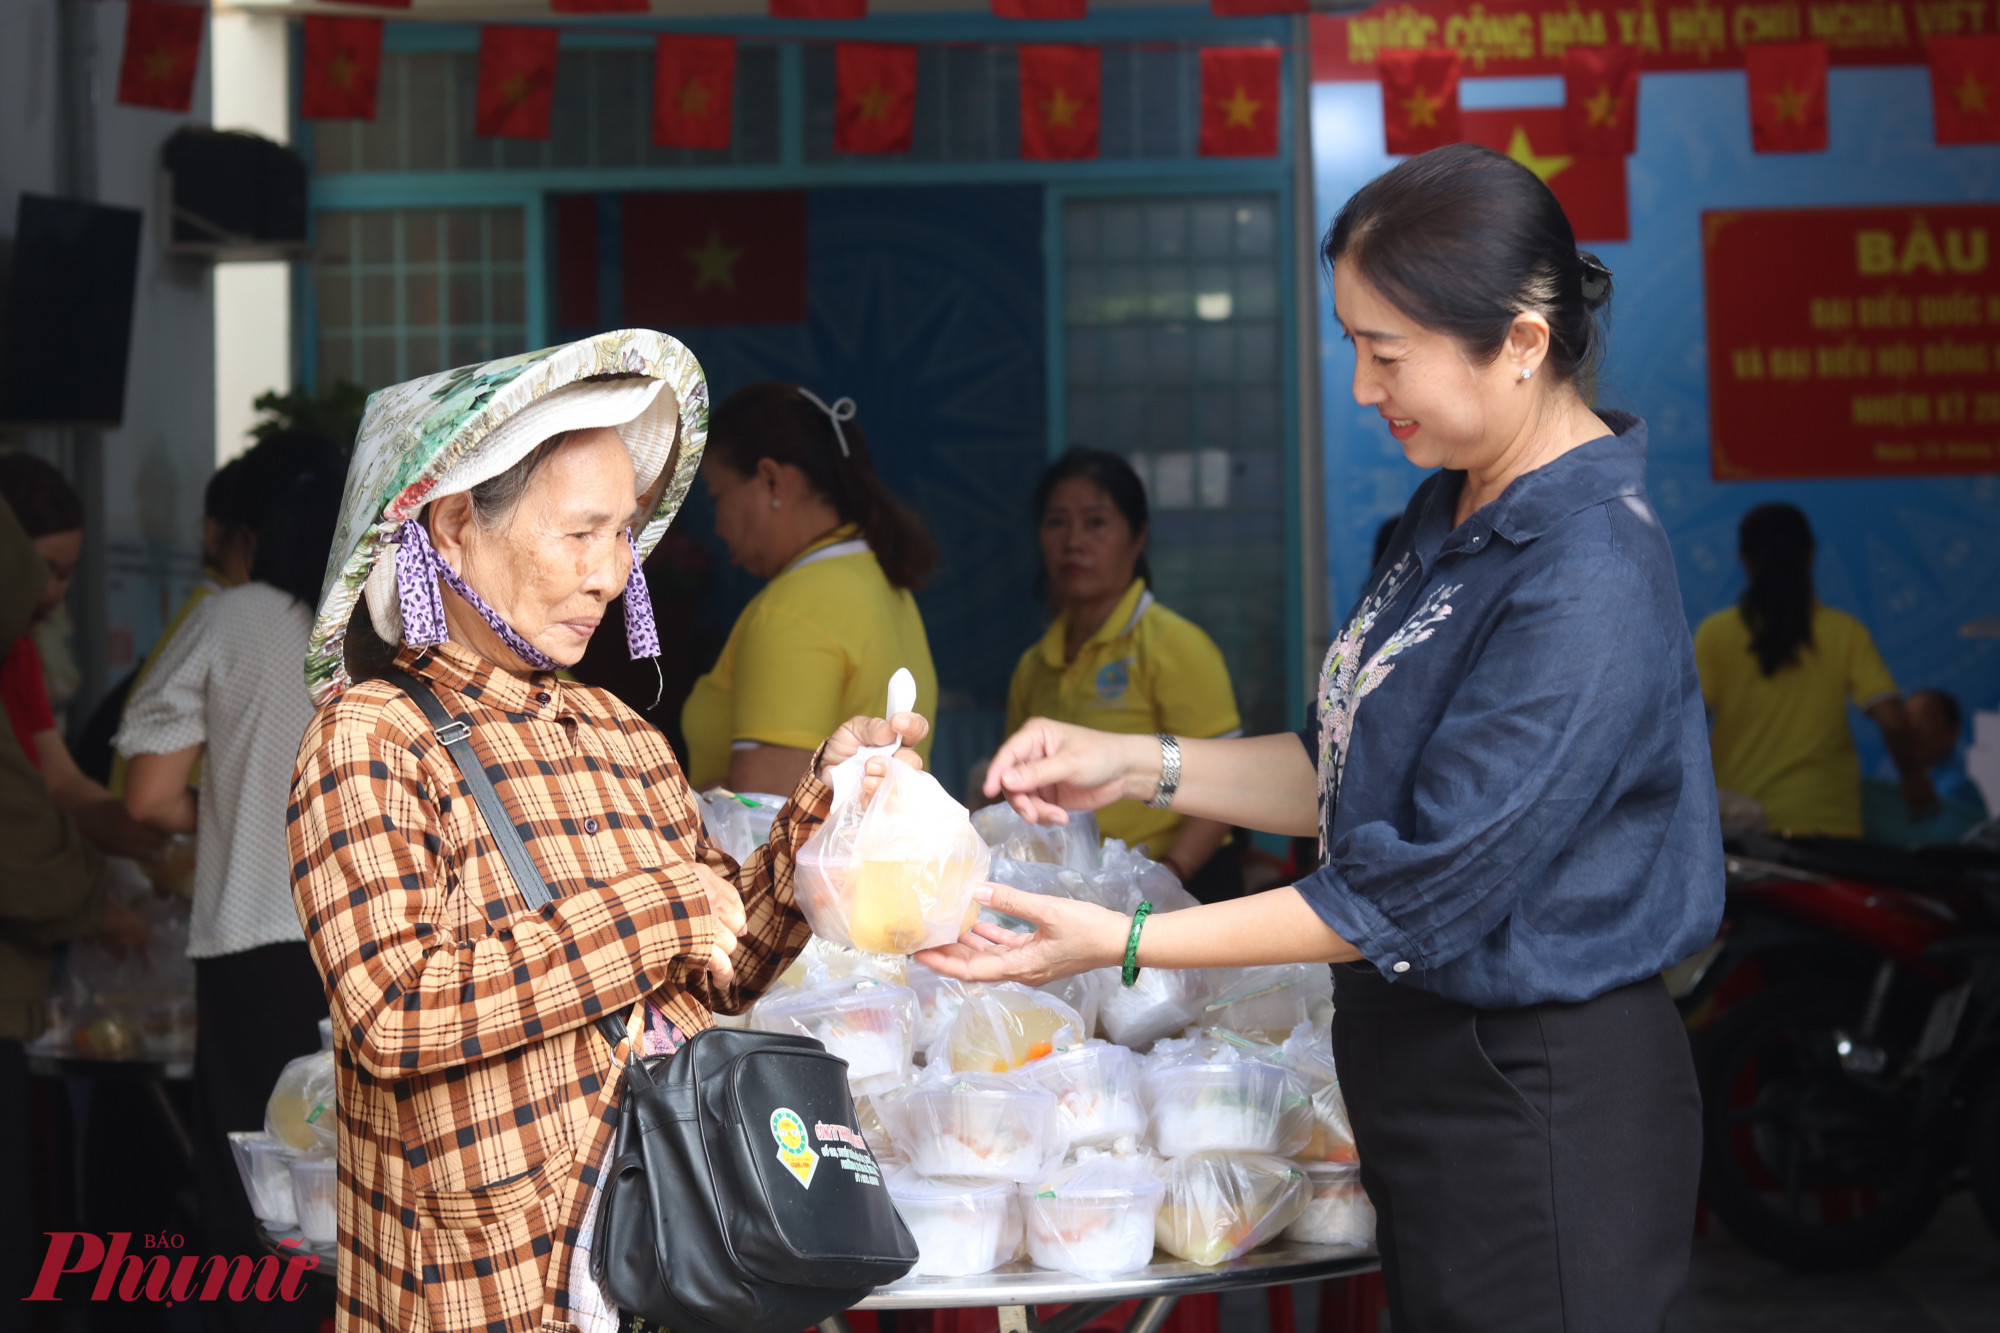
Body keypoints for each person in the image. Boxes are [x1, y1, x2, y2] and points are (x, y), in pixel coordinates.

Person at [919, 143, 1724, 1330]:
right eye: (1351, 344)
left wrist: (1120, 939)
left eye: (1385, 353)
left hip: (1539, 1095)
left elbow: (1408, 887)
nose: (1358, 387)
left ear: (1519, 340)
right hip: (1429, 1082)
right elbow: (1341, 774)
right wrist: (1134, 760)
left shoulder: (1586, 570)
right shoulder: (1448, 509)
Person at [285, 333, 924, 1333]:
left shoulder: (619, 734)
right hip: (484, 1292)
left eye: (623, 533)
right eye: (581, 533)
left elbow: (720, 967)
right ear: (453, 528)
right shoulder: (370, 736)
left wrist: (827, 805)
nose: (614, 573)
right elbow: (394, 1011)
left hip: (658, 1276)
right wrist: (651, 912)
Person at [115, 436, 345, 1330]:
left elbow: (147, 796)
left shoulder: (233, 616)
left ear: (250, 533)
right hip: (376, 942)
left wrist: (232, 800)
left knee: (260, 1195)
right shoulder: (391, 616)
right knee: (362, 1188)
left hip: (254, 945)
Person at [1004, 449, 1242, 898]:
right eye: (1057, 522)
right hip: (1078, 894)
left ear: (1137, 537)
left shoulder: (1174, 645)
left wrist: (1169, 875)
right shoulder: (1033, 666)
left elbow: (1230, 786)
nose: (1074, 541)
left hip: (1180, 887)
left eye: (1096, 523)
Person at [682, 381, 939, 794]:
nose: (717, 524)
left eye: (717, 497)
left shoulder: (792, 607)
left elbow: (766, 807)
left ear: (771, 482)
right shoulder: (882, 582)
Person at [1694, 502, 1938, 838]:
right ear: (1811, 554)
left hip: (1743, 829)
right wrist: (1913, 779)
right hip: (1829, 828)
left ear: (1743, 559)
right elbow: (1893, 721)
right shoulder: (1845, 632)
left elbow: (1685, 724)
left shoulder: (1715, 634)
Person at [0, 453, 165, 861]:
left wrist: (135, 824)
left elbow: (60, 780)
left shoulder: (20, 651)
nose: (53, 592)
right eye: (43, 570)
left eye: (65, 574)